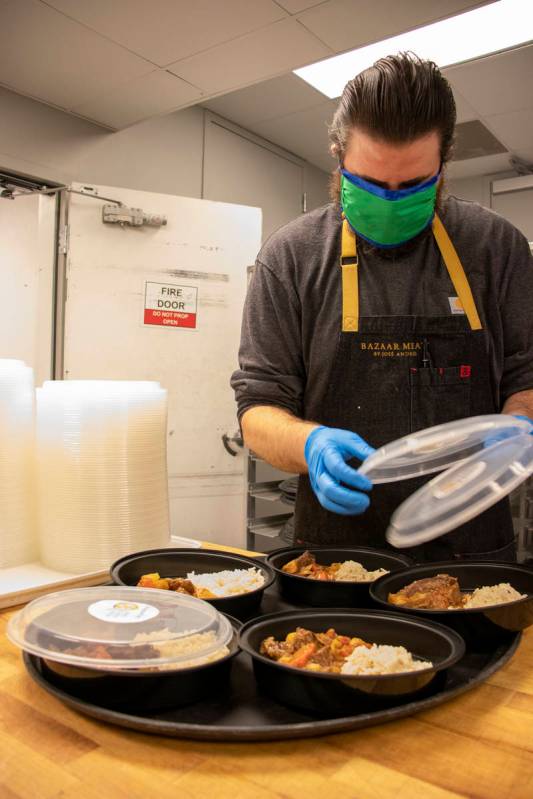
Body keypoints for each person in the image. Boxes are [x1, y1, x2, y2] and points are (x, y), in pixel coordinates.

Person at [231, 53, 533, 562]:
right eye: (369, 184)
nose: (391, 200)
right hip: (332, 556)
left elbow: (526, 378)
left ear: (445, 163)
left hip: (472, 549)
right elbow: (257, 410)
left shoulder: (496, 247)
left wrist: (519, 426)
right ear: (338, 158)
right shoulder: (292, 256)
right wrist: (310, 443)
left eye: (414, 186)